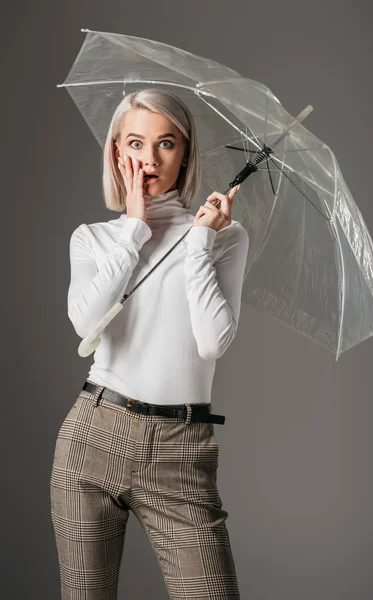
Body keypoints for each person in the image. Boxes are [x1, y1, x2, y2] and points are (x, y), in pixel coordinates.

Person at [50, 87, 249, 599]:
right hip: (92, 436)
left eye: (166, 144)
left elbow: (212, 342)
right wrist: (134, 229)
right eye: (136, 143)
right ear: (117, 151)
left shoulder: (224, 237)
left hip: (181, 449)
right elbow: (85, 321)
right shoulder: (92, 239)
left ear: (184, 156)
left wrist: (201, 245)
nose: (149, 158)